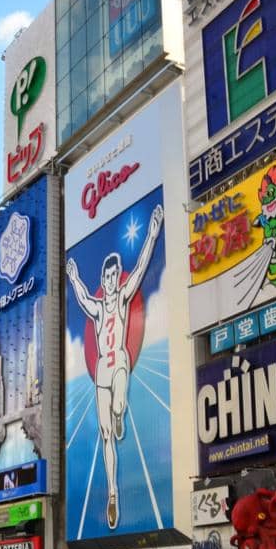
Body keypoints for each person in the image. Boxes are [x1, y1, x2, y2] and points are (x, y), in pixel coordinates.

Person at [65, 203, 164, 530]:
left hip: (119, 362)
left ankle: (121, 412)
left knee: (119, 405)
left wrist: (151, 233)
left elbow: (141, 267)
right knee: (107, 435)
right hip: (101, 374)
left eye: (112, 274)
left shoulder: (122, 299)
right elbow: (80, 296)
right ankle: (112, 493)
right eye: (106, 275)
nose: (109, 279)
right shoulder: (95, 306)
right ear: (102, 279)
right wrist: (75, 276)